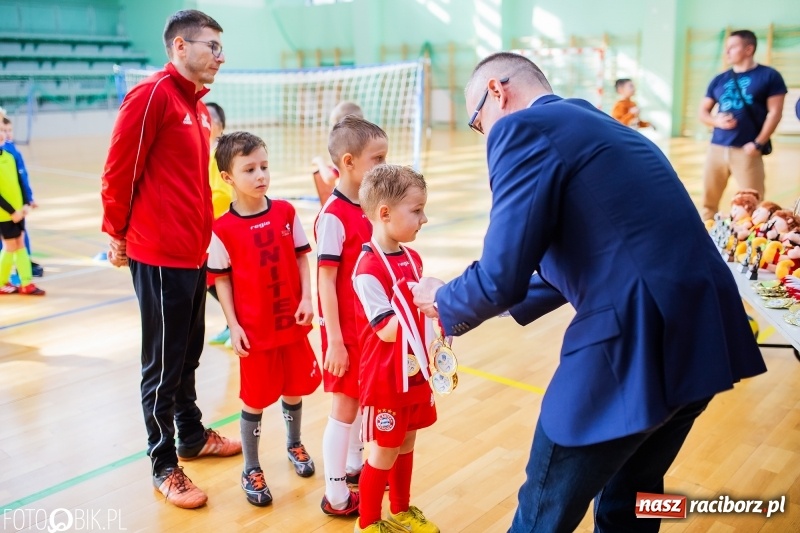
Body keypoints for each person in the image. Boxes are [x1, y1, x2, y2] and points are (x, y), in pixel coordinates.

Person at [411, 51, 767, 532]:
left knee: (543, 510)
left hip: (636, 336)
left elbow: (500, 276)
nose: (485, 138)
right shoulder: (594, 122)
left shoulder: (523, 130)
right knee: (633, 499)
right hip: (704, 331)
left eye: (479, 124)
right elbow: (593, 252)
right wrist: (486, 306)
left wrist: (445, 297)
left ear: (497, 90)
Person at [100, 9, 241, 510]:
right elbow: (120, 169)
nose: (219, 57)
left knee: (188, 354)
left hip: (192, 252)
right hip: (158, 255)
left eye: (222, 48)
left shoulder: (198, 107)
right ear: (179, 47)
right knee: (162, 364)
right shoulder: (152, 95)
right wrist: (115, 233)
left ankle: (191, 435)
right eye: (211, 46)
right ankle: (164, 465)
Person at [207, 131, 321, 506]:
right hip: (255, 333)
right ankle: (251, 467)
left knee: (293, 389)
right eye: (250, 169)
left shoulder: (286, 212)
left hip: (291, 323)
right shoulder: (222, 229)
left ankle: (294, 444)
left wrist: (307, 296)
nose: (261, 175)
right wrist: (234, 324)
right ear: (228, 178)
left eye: (264, 167)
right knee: (254, 400)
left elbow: (303, 257)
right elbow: (220, 280)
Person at [352, 164, 438, 533]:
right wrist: (431, 304)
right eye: (416, 210)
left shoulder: (412, 259)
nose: (424, 218)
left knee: (407, 441)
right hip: (387, 378)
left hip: (414, 371)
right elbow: (387, 330)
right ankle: (368, 522)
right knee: (384, 449)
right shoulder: (368, 268)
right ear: (384, 214)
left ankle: (401, 510)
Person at [314, 116, 388, 516]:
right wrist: (336, 341)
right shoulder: (332, 216)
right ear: (348, 162)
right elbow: (326, 282)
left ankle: (355, 466)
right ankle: (336, 494)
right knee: (344, 408)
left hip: (368, 329)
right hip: (344, 333)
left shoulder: (371, 206)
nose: (384, 165)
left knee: (362, 401)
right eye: (377, 159)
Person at [698, 29, 787, 222]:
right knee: (708, 202)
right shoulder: (719, 79)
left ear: (749, 49)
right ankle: (705, 240)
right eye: (726, 47)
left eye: (732, 47)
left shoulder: (769, 76)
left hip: (747, 150)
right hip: (717, 148)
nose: (727, 52)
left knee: (753, 205)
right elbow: (702, 112)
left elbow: (775, 113)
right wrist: (716, 121)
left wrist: (758, 143)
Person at [0, 124, 44, 295]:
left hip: (19, 212)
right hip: (5, 215)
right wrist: (12, 212)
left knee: (20, 245)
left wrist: (25, 203)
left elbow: (19, 181)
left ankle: (26, 283)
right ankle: (2, 282)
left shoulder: (9, 156)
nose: (2, 134)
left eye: (3, 131)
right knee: (10, 246)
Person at [204, 102, 234, 346]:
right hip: (208, 229)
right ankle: (230, 323)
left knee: (215, 277)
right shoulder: (202, 151)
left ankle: (236, 323)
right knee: (210, 279)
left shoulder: (218, 153)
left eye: (208, 117)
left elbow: (222, 194)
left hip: (220, 230)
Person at [312, 101, 364, 206]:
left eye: (333, 125)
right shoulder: (365, 143)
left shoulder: (345, 149)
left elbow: (329, 178)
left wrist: (320, 161)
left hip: (349, 200)